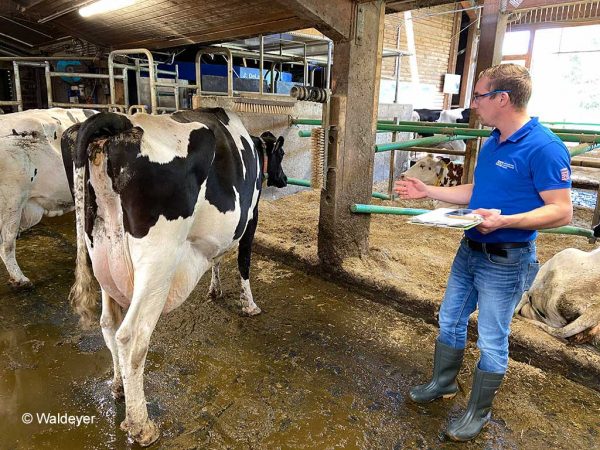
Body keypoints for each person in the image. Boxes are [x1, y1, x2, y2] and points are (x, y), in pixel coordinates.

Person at [394, 63, 572, 441]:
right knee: (450, 319)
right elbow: (476, 191)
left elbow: (561, 210)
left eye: (478, 95)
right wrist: (428, 194)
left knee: (492, 337)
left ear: (502, 99)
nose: (473, 103)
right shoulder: (492, 141)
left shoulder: (545, 147)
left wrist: (506, 220)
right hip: (471, 248)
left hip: (507, 259)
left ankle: (478, 411)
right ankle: (443, 384)